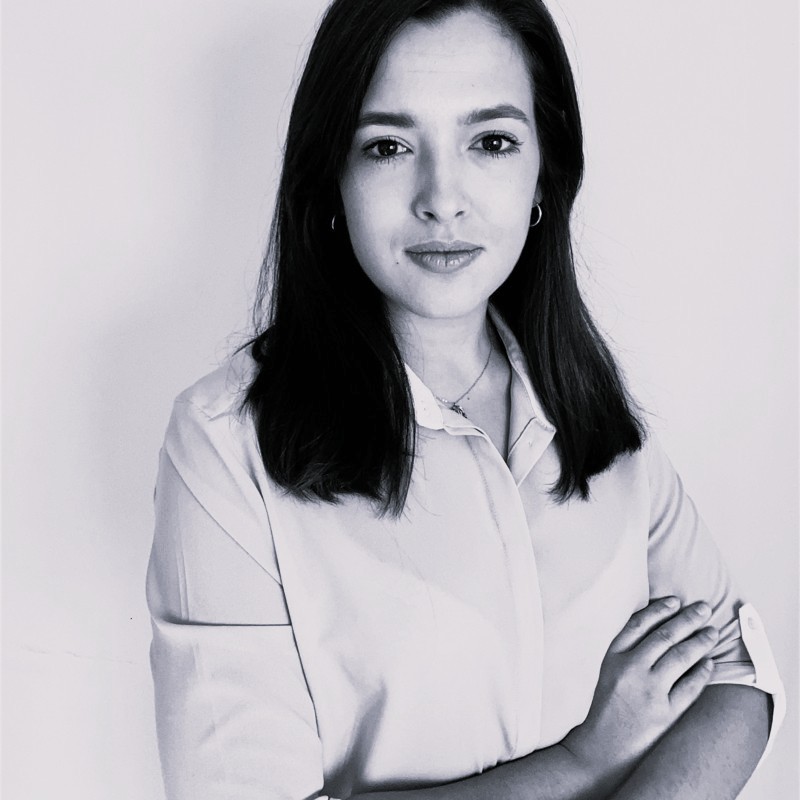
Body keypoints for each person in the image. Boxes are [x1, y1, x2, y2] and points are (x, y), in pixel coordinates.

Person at [146, 1, 784, 798]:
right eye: (388, 146)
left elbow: (735, 671)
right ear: (332, 178)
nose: (441, 199)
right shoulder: (225, 443)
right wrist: (582, 760)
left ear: (545, 171)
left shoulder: (584, 404)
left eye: (491, 142)